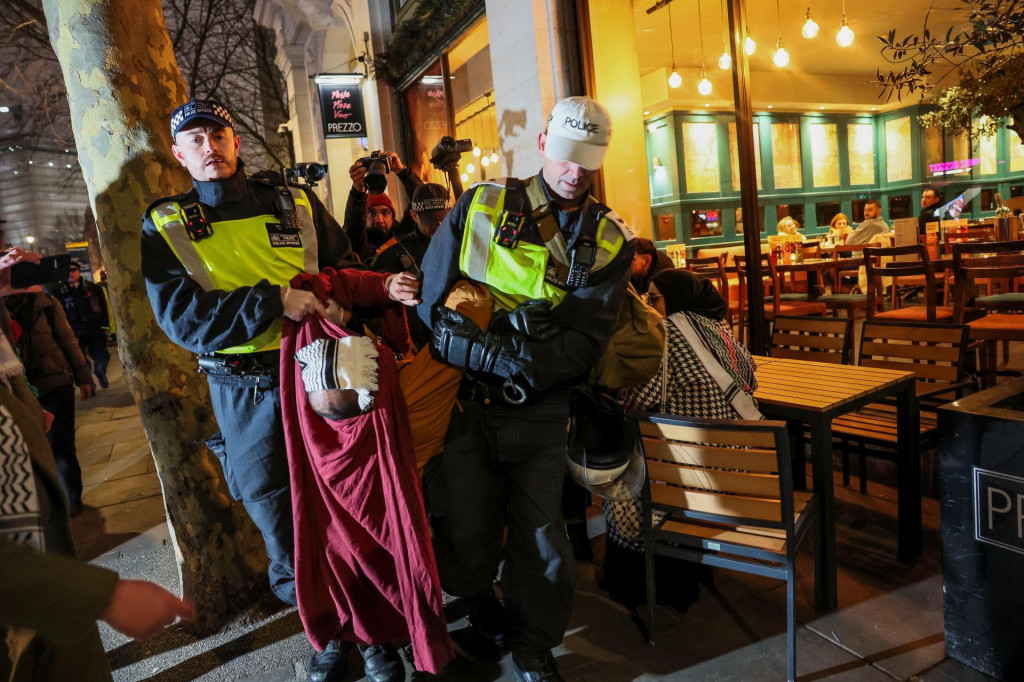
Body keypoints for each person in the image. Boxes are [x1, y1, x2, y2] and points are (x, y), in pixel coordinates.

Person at [140, 99, 416, 682]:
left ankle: (371, 639)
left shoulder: (294, 200)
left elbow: (343, 269)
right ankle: (325, 636)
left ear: (236, 140)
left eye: (217, 133)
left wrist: (362, 295)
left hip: (321, 375)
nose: (208, 146)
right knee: (281, 523)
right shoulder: (165, 222)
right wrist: (273, 301)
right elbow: (183, 318)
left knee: (348, 511)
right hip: (243, 391)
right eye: (194, 139)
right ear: (178, 153)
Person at [418, 95, 635, 682]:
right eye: (566, 156)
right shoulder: (480, 203)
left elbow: (586, 342)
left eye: (587, 160)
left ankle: (535, 644)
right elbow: (430, 308)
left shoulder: (612, 239)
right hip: (467, 407)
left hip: (541, 411)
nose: (575, 172)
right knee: (465, 527)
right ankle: (476, 604)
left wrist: (504, 350)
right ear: (543, 143)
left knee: (543, 541)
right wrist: (471, 343)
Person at [0, 246, 194, 682]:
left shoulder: (36, 303)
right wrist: (103, 596)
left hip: (47, 610)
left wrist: (24, 408)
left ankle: (73, 498)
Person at [599, 268, 760, 614]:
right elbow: (750, 377)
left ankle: (645, 586)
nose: (648, 305)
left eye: (654, 298)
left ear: (675, 300)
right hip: (741, 478)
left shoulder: (665, 335)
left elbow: (639, 399)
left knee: (624, 481)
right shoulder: (719, 330)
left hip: (689, 483)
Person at [4, 289, 94, 517]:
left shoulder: (46, 303)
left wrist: (83, 376)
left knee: (61, 444)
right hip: (21, 388)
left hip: (55, 380)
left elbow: (67, 340)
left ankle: (71, 498)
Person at [371, 183, 452, 348]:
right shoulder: (391, 254)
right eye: (430, 220)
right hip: (415, 348)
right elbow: (371, 302)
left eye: (443, 218)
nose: (438, 224)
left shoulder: (461, 246)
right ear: (414, 216)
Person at [345, 151, 424, 262]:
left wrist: (402, 171)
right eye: (371, 213)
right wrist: (357, 190)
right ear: (363, 215)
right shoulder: (358, 245)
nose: (379, 220)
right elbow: (354, 224)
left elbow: (421, 199)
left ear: (393, 217)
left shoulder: (403, 236)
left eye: (385, 212)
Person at [60, 261, 111, 388]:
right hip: (75, 331)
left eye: (73, 270)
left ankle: (100, 371)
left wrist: (106, 325)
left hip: (95, 328)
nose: (71, 273)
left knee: (102, 354)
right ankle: (89, 384)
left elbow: (104, 307)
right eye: (68, 271)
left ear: (78, 271)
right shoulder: (61, 292)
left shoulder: (93, 288)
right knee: (81, 360)